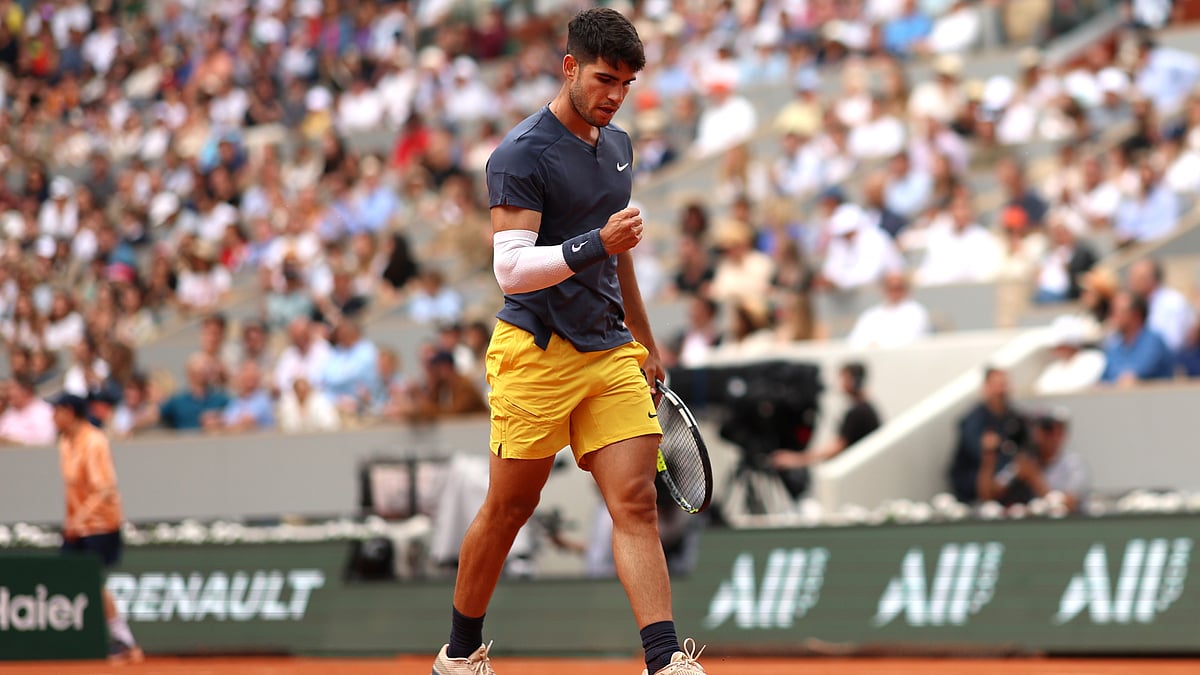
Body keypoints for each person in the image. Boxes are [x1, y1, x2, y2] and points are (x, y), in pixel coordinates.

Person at [430, 9, 706, 675]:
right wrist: (597, 244)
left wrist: (644, 338)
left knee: (634, 502)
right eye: (605, 79)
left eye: (628, 84)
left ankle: (665, 659)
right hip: (535, 352)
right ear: (569, 68)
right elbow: (512, 271)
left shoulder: (619, 146)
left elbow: (622, 251)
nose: (615, 95)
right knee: (509, 508)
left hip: (609, 350)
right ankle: (460, 654)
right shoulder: (520, 155)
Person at [50, 392, 143, 663]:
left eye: (56, 411)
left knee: (92, 580)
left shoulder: (95, 441)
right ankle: (89, 637)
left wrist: (78, 520)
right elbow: (72, 490)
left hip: (101, 524)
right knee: (68, 577)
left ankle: (124, 640)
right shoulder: (65, 443)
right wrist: (73, 521)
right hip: (77, 525)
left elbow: (105, 488)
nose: (52, 417)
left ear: (69, 412)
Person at [768, 362, 881, 471]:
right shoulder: (866, 408)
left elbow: (836, 448)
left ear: (854, 381)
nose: (840, 383)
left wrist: (796, 459)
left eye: (844, 378)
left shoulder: (858, 412)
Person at [976, 407, 1089, 513]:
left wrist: (1034, 478)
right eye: (1046, 429)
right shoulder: (1025, 462)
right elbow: (988, 495)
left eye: (1057, 430)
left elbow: (1069, 504)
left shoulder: (1073, 464)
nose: (1053, 435)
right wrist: (989, 458)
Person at [948, 367, 1027, 503]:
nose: (1001, 391)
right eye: (997, 385)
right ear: (986, 388)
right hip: (974, 482)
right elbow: (980, 454)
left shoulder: (1015, 418)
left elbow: (1023, 448)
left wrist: (1009, 473)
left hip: (1008, 480)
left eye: (1004, 385)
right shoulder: (974, 420)